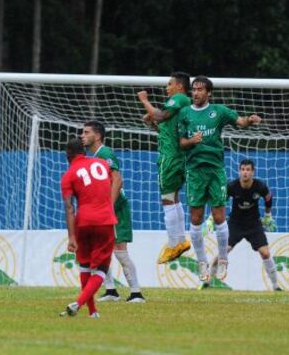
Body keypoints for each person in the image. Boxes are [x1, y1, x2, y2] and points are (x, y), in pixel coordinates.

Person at [178, 76, 262, 282]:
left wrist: (249, 121)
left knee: (219, 216)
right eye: (193, 89)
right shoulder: (185, 113)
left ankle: (223, 259)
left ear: (208, 93)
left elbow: (240, 122)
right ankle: (201, 262)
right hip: (195, 172)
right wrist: (192, 140)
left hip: (216, 170)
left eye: (199, 89)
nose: (195, 93)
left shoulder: (219, 111)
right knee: (196, 218)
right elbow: (181, 143)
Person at [81, 121, 145, 303]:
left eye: (86, 132)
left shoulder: (105, 153)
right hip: (103, 209)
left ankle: (136, 293)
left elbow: (118, 180)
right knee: (98, 250)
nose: (82, 135)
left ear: (98, 136)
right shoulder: (93, 156)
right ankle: (111, 291)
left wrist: (108, 206)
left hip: (116, 209)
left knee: (120, 251)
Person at [137, 71, 191, 264]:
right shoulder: (182, 108)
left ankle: (173, 243)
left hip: (170, 158)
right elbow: (163, 128)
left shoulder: (178, 99)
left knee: (167, 200)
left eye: (169, 84)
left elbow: (160, 115)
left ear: (179, 86)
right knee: (174, 199)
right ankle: (181, 241)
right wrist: (152, 122)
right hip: (178, 156)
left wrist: (144, 101)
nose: (167, 88)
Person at [60, 138, 118, 318]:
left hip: (83, 223)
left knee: (85, 266)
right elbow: (109, 183)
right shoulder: (102, 164)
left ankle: (93, 312)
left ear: (67, 156)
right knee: (101, 269)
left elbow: (70, 208)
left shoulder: (68, 175)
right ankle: (78, 304)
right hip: (104, 221)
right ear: (84, 152)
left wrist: (71, 237)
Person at [204, 159, 281, 290]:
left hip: (254, 224)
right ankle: (207, 282)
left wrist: (268, 216)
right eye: (243, 169)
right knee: (223, 252)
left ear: (253, 172)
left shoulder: (260, 186)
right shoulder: (232, 186)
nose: (245, 172)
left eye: (248, 170)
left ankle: (276, 286)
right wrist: (211, 218)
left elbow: (268, 198)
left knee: (265, 253)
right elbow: (219, 201)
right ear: (239, 171)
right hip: (235, 224)